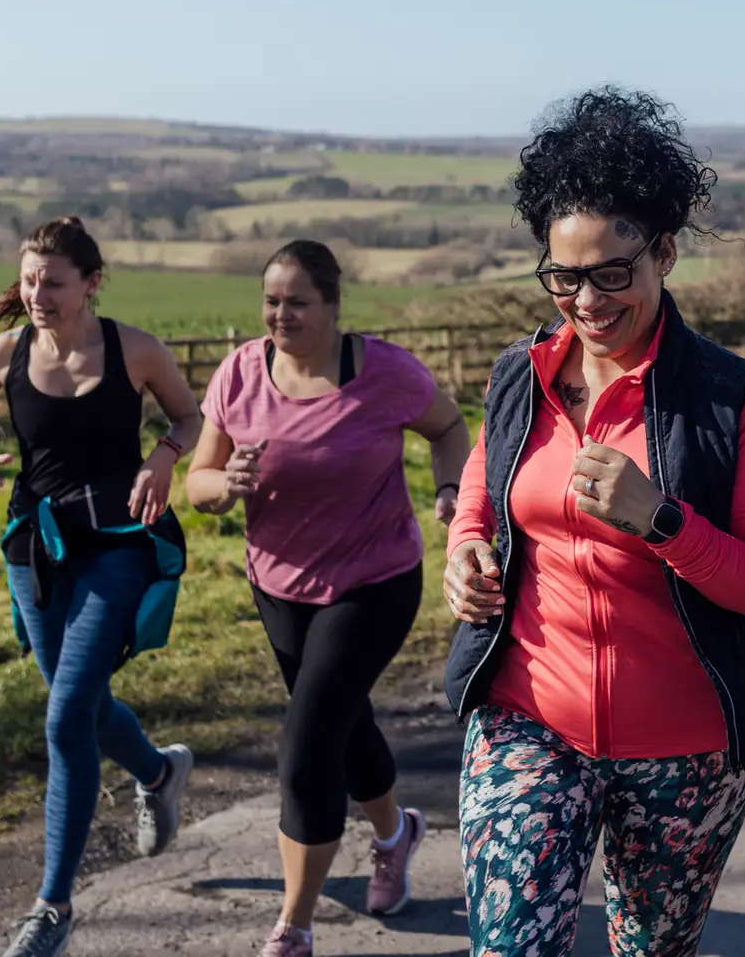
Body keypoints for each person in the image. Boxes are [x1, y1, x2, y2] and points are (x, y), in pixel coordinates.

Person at [442, 88, 745, 957]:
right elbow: (479, 502)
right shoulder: (518, 378)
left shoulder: (728, 398)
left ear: (665, 254)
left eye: (614, 272)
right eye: (564, 275)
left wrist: (662, 520)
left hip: (684, 747)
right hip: (526, 717)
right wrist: (461, 555)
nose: (588, 298)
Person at [187, 239, 472, 957]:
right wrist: (227, 487)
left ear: (333, 306)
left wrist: (448, 490)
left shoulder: (384, 371)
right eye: (271, 301)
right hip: (278, 586)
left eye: (297, 302)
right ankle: (395, 832)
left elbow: (447, 426)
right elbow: (198, 482)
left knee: (308, 742)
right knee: (343, 725)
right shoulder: (240, 373)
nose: (281, 314)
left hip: (373, 581)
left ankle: (295, 925)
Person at [0, 216, 202, 957]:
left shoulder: (134, 348)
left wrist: (165, 457)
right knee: (75, 700)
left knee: (64, 717)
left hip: (119, 542)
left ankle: (52, 907)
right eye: (28, 281)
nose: (37, 294)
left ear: (90, 283)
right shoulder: (3, 353)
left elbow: (191, 413)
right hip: (36, 549)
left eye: (53, 282)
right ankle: (158, 769)